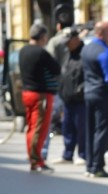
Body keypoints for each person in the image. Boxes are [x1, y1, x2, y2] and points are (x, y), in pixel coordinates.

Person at [19, 23, 61, 173]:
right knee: (40, 128)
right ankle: (37, 161)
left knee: (31, 127)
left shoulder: (22, 50)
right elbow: (56, 68)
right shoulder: (41, 53)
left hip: (27, 93)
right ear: (43, 37)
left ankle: (33, 157)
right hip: (40, 95)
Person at [81, 21, 108, 178]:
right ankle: (97, 166)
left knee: (90, 131)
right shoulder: (105, 52)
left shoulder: (86, 48)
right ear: (103, 33)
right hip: (103, 95)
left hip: (88, 93)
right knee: (102, 132)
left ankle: (89, 165)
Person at [54, 27, 86, 166]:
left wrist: (81, 89)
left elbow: (89, 76)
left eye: (69, 41)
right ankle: (67, 155)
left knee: (81, 128)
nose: (66, 44)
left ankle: (83, 154)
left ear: (76, 39)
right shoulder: (67, 54)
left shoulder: (85, 54)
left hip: (80, 99)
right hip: (67, 98)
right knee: (67, 127)